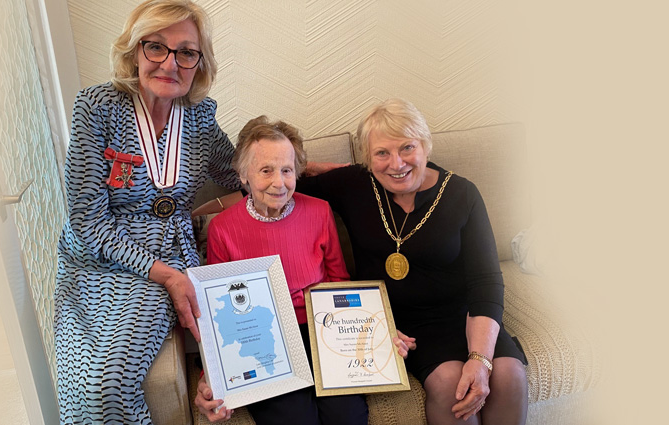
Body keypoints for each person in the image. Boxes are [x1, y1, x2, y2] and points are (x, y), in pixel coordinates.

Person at [53, 1, 241, 423]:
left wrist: (302, 167)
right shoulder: (97, 108)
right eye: (156, 47)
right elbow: (86, 222)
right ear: (135, 51)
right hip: (99, 258)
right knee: (88, 382)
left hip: (168, 252)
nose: (170, 63)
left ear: (199, 63)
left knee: (113, 377)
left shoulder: (200, 116)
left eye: (186, 52)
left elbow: (238, 174)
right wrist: (169, 276)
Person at [297, 98, 529, 424]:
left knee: (508, 375)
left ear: (426, 146)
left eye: (407, 148)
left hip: (464, 314)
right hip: (404, 324)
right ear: (366, 158)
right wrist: (327, 168)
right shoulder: (354, 185)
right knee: (451, 385)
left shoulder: (463, 194)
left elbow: (486, 281)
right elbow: (277, 181)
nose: (396, 163)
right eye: (381, 154)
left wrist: (480, 358)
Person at [193, 117, 373, 425]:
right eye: (266, 170)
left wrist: (369, 333)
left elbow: (339, 284)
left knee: (350, 417)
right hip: (263, 342)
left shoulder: (319, 211)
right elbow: (219, 311)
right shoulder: (223, 229)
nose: (279, 182)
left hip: (321, 331)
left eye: (287, 170)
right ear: (243, 175)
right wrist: (212, 374)